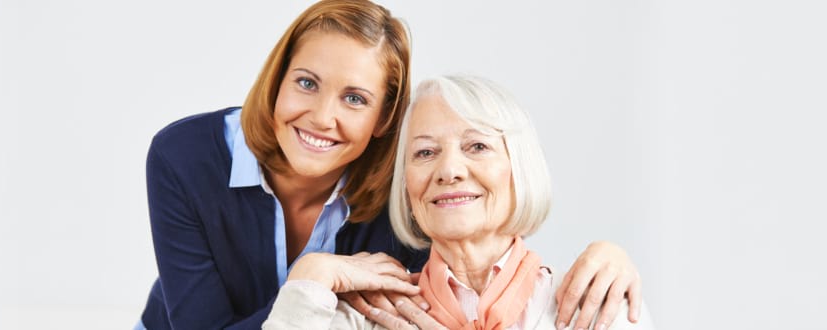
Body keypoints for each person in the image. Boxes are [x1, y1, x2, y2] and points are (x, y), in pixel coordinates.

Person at [139, 2, 646, 328]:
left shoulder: (402, 192)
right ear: (277, 79)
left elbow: (479, 259)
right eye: (307, 83)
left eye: (355, 98)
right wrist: (315, 279)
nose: (322, 117)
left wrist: (611, 254)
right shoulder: (183, 156)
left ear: (384, 119)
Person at [264, 75, 655, 330]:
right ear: (408, 190)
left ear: (520, 168)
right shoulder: (363, 317)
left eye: (477, 146)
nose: (448, 169)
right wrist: (310, 274)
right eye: (424, 153)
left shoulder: (594, 307)